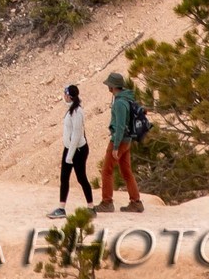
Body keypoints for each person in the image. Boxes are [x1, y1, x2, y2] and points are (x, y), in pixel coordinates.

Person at [100, 72, 145, 212]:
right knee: (126, 171)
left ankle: (107, 202)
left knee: (106, 171)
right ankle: (136, 201)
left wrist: (116, 146)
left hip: (119, 141)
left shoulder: (119, 103)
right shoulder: (127, 99)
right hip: (128, 140)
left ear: (112, 87)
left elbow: (119, 126)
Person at [51, 82, 92, 218]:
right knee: (64, 178)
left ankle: (91, 207)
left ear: (69, 96)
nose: (64, 96)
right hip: (69, 148)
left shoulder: (77, 112)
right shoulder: (71, 110)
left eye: (65, 94)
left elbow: (76, 134)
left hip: (77, 150)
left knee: (81, 178)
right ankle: (61, 208)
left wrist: (70, 155)